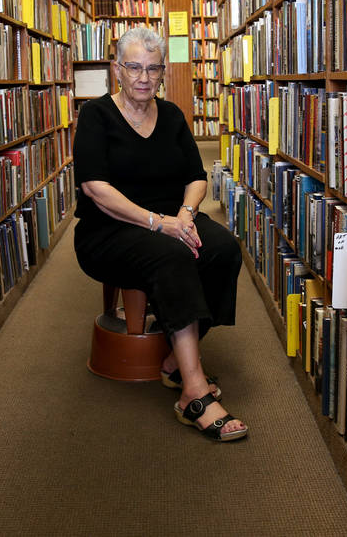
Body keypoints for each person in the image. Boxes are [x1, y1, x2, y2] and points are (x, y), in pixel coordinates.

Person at [72, 26, 247, 442]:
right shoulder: (95, 115)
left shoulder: (171, 116)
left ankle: (171, 360)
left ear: (163, 71)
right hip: (108, 230)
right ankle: (194, 391)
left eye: (153, 69)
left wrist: (184, 215)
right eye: (134, 67)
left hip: (172, 219)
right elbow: (96, 188)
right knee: (171, 256)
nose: (144, 78)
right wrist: (158, 223)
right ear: (118, 69)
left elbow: (196, 176)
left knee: (223, 248)